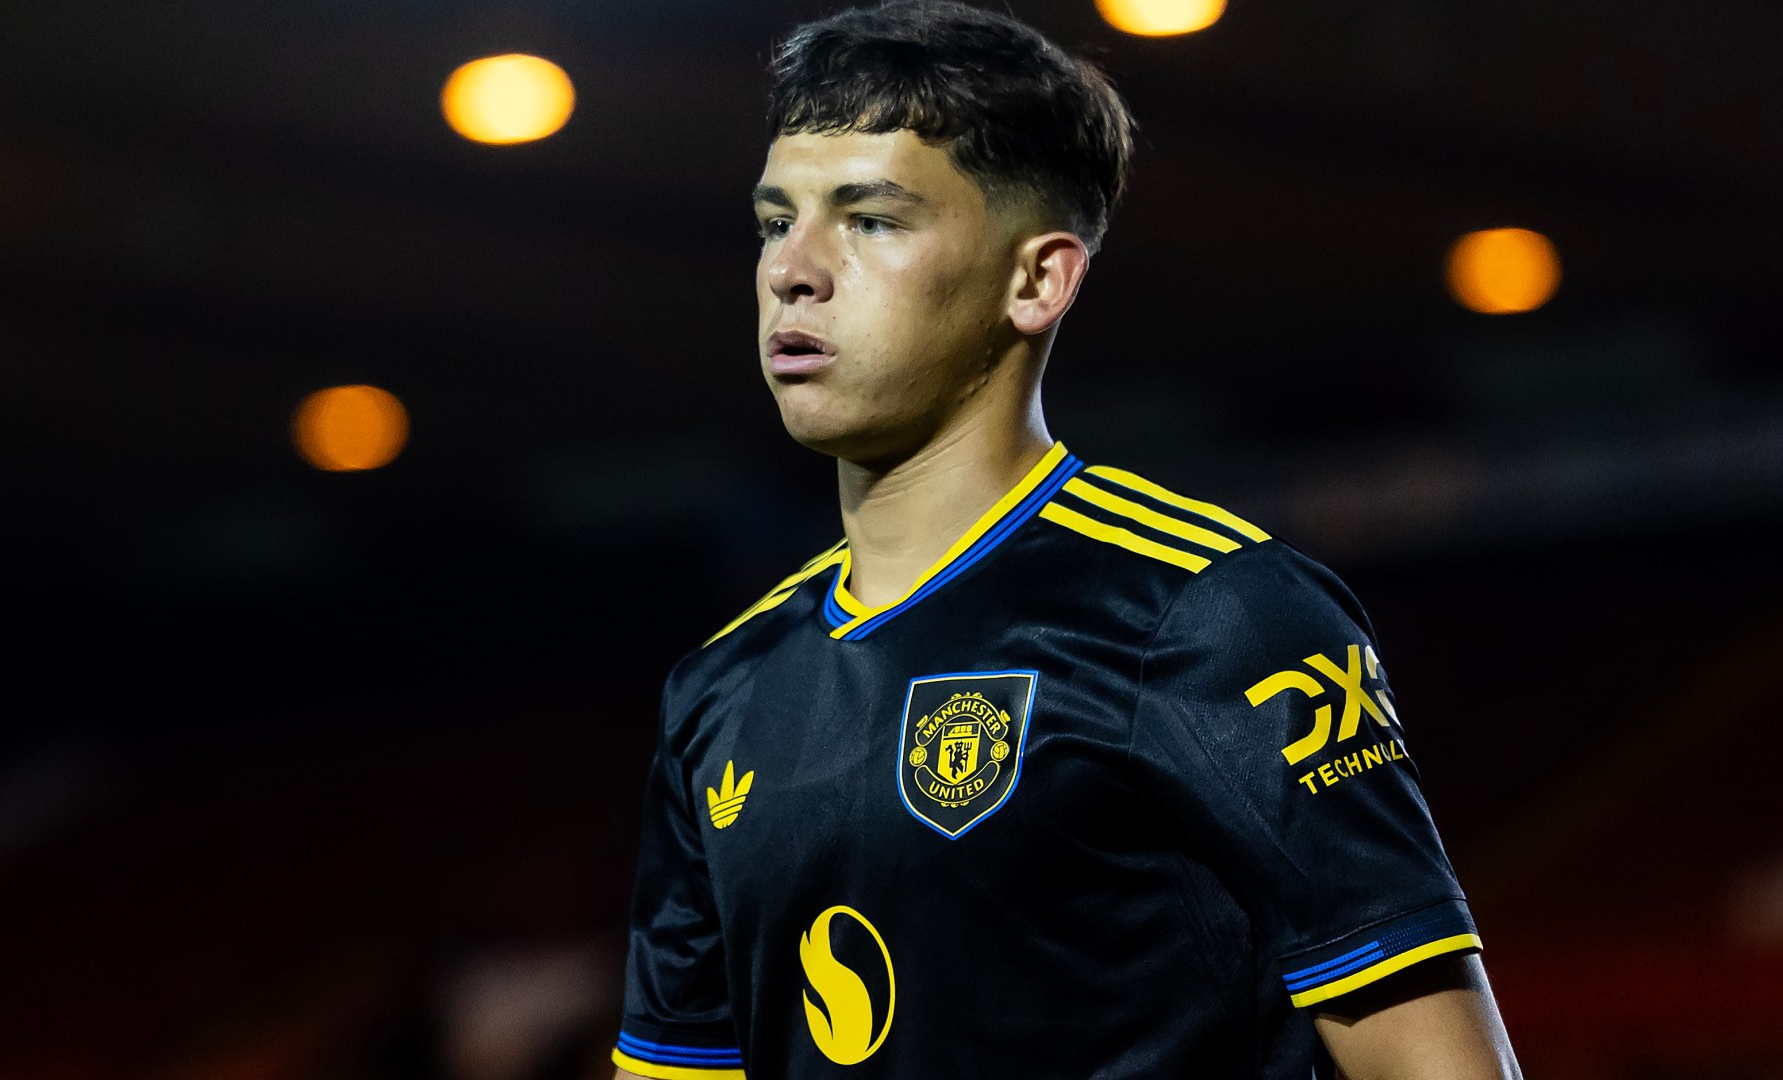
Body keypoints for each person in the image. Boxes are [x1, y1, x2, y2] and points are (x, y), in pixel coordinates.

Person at [611, 1, 1523, 1076]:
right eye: (776, 221)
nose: (790, 270)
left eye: (871, 221)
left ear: (1037, 279)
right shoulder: (719, 690)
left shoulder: (1211, 616)